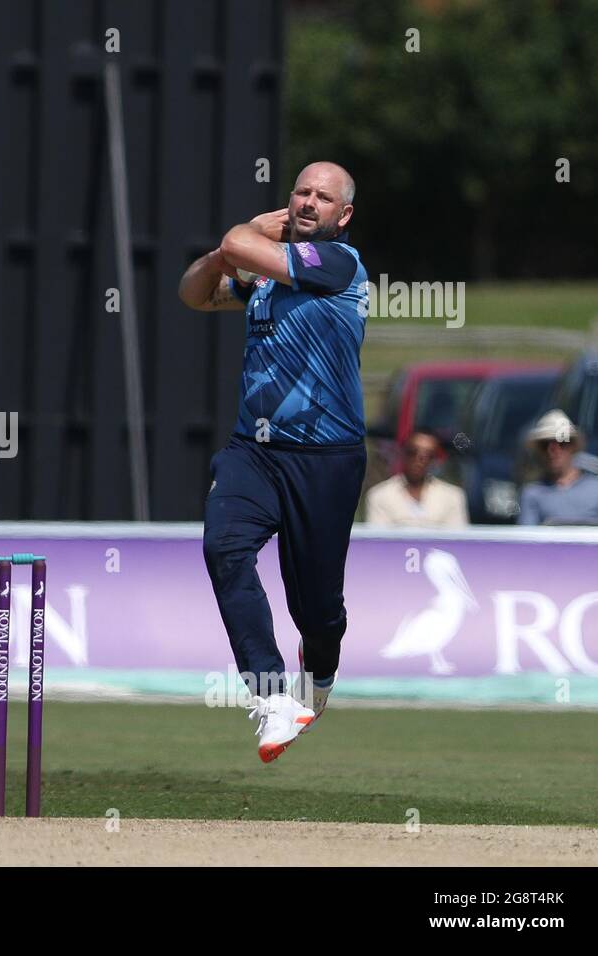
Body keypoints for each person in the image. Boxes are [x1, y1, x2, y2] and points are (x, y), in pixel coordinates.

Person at [179, 161, 367, 763]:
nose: (310, 202)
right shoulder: (265, 275)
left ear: (344, 214)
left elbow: (242, 244)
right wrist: (220, 253)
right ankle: (270, 695)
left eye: (323, 197)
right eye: (303, 192)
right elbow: (194, 293)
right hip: (252, 452)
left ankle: (322, 665)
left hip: (326, 458)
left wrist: (247, 232)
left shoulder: (339, 265)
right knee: (223, 547)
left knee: (314, 606)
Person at [518, 409, 598, 525]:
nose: (553, 450)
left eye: (562, 441)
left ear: (573, 446)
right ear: (539, 451)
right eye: (545, 444)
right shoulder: (532, 494)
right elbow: (527, 540)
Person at [364, 428, 469, 527]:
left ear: (434, 460)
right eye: (413, 452)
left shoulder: (453, 497)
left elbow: (457, 542)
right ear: (402, 452)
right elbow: (379, 542)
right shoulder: (379, 496)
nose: (419, 460)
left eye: (428, 455)